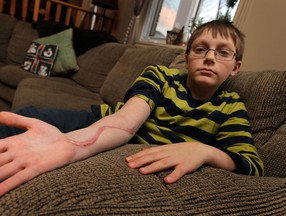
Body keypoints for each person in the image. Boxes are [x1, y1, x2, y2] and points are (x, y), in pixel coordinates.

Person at [0, 20, 264, 196]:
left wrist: (204, 151)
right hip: (94, 122)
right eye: (201, 49)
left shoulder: (230, 107)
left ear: (235, 67)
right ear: (187, 57)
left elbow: (252, 166)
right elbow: (126, 121)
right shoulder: (161, 76)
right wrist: (68, 143)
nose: (209, 57)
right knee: (23, 120)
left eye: (223, 52)